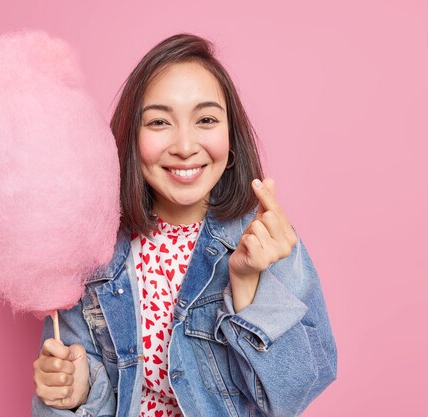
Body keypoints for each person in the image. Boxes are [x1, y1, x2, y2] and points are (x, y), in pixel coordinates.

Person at [32, 33, 337, 417]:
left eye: (205, 119)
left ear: (231, 143)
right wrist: (79, 393)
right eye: (159, 121)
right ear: (132, 140)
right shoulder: (92, 251)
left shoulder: (265, 241)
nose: (185, 145)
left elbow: (295, 392)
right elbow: (81, 402)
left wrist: (246, 285)